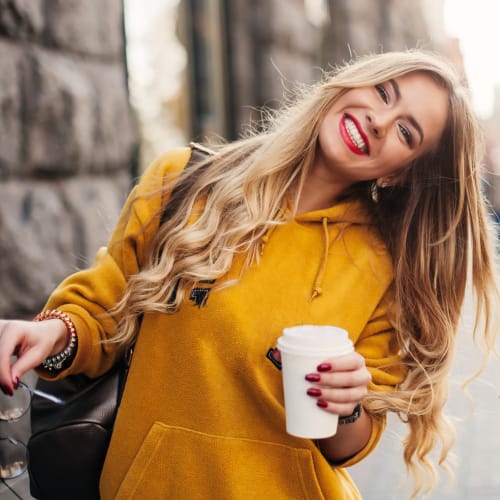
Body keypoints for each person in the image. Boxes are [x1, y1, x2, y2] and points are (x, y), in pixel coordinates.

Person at [0, 49, 498, 499]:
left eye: (406, 132)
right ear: (351, 84)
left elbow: (347, 446)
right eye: (383, 92)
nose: (379, 121)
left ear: (399, 173)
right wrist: (52, 334)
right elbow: (103, 313)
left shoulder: (383, 266)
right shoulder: (184, 183)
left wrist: (345, 406)